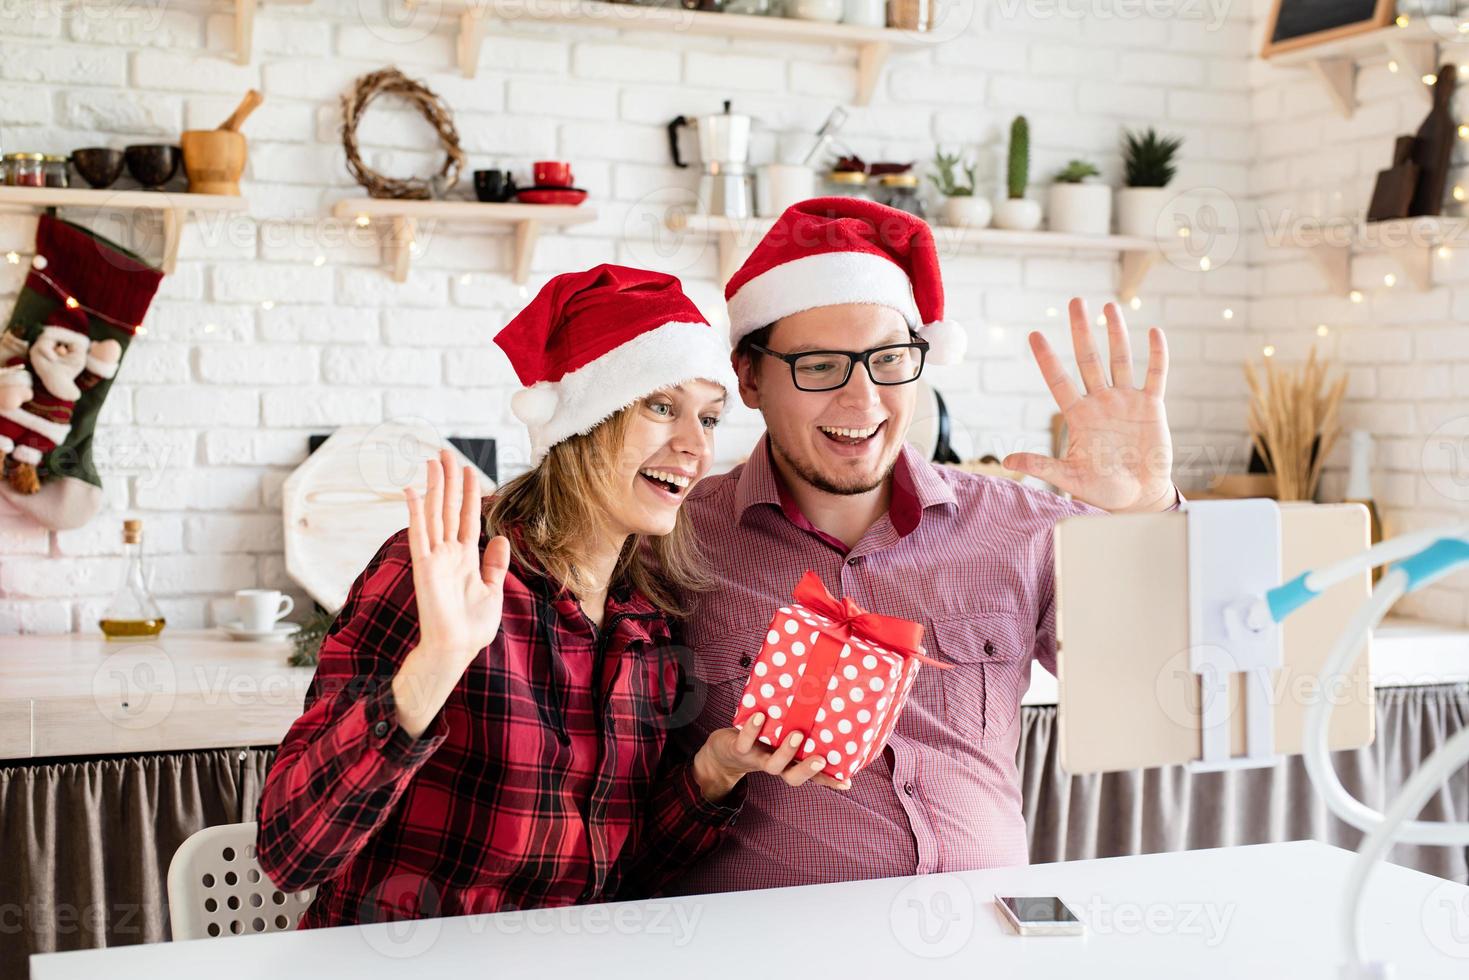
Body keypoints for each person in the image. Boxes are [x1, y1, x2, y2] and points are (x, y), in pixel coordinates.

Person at [256, 265, 840, 926]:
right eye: (660, 405)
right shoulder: (449, 574)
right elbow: (289, 853)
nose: (693, 446)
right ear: (584, 420)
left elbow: (623, 883)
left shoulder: (643, 621)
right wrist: (434, 666)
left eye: (708, 418)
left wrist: (714, 771)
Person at [662, 199, 1182, 894]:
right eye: (819, 366)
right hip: (774, 948)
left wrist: (1146, 515)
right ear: (750, 378)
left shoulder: (1020, 526)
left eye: (888, 360)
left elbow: (1161, 693)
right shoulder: (673, 540)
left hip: (988, 937)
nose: (862, 399)